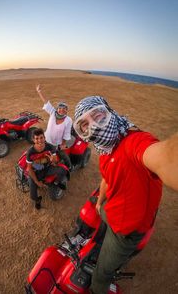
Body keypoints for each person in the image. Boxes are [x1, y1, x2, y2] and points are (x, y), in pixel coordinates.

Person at [73, 96, 178, 294]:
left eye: (98, 116)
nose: (93, 127)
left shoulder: (132, 142)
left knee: (102, 273)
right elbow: (107, 178)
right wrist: (100, 202)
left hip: (126, 230)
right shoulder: (106, 148)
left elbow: (166, 158)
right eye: (84, 125)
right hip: (111, 209)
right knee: (93, 208)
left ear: (110, 112)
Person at [26, 128, 67, 209]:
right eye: (36, 138)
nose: (39, 140)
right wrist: (37, 182)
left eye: (41, 137)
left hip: (48, 168)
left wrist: (53, 160)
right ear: (33, 140)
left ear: (44, 138)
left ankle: (57, 183)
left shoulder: (50, 147)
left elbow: (55, 162)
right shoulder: (30, 152)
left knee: (63, 170)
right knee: (32, 196)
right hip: (36, 172)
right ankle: (37, 200)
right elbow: (29, 169)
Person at [36, 84, 73, 169]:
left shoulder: (68, 120)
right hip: (46, 140)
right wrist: (39, 91)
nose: (61, 110)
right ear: (57, 108)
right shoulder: (53, 112)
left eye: (64, 108)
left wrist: (63, 145)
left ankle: (69, 167)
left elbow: (66, 134)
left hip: (57, 144)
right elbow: (46, 102)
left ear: (67, 110)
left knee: (63, 155)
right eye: (60, 108)